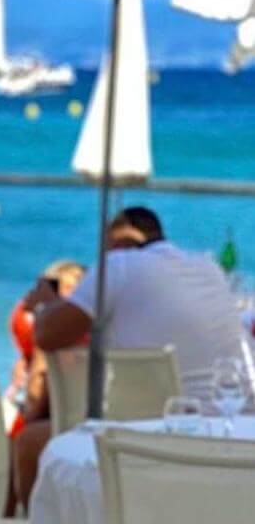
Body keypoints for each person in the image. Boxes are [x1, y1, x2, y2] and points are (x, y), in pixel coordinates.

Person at [20, 206, 249, 508]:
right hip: (232, 431)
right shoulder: (208, 268)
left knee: (28, 443)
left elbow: (48, 335)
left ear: (120, 239)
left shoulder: (118, 266)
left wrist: (45, 304)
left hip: (157, 438)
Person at [5, 258, 85, 513]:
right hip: (81, 417)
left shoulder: (52, 335)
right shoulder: (94, 328)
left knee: (21, 438)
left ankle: (15, 515)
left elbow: (39, 393)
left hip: (60, 420)